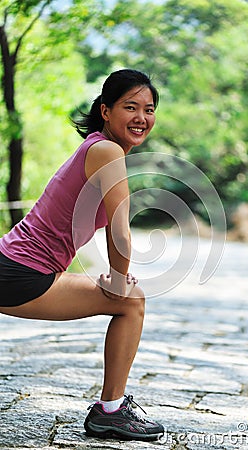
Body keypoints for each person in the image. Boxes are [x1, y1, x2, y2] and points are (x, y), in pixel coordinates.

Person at [0, 69, 164, 441]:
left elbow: (109, 229)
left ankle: (110, 411)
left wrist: (115, 276)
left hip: (11, 265)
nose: (142, 117)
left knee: (126, 296)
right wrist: (120, 282)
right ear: (105, 111)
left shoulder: (98, 146)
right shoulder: (106, 151)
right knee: (131, 302)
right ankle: (110, 412)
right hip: (22, 274)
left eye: (149, 109)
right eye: (131, 107)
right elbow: (121, 232)